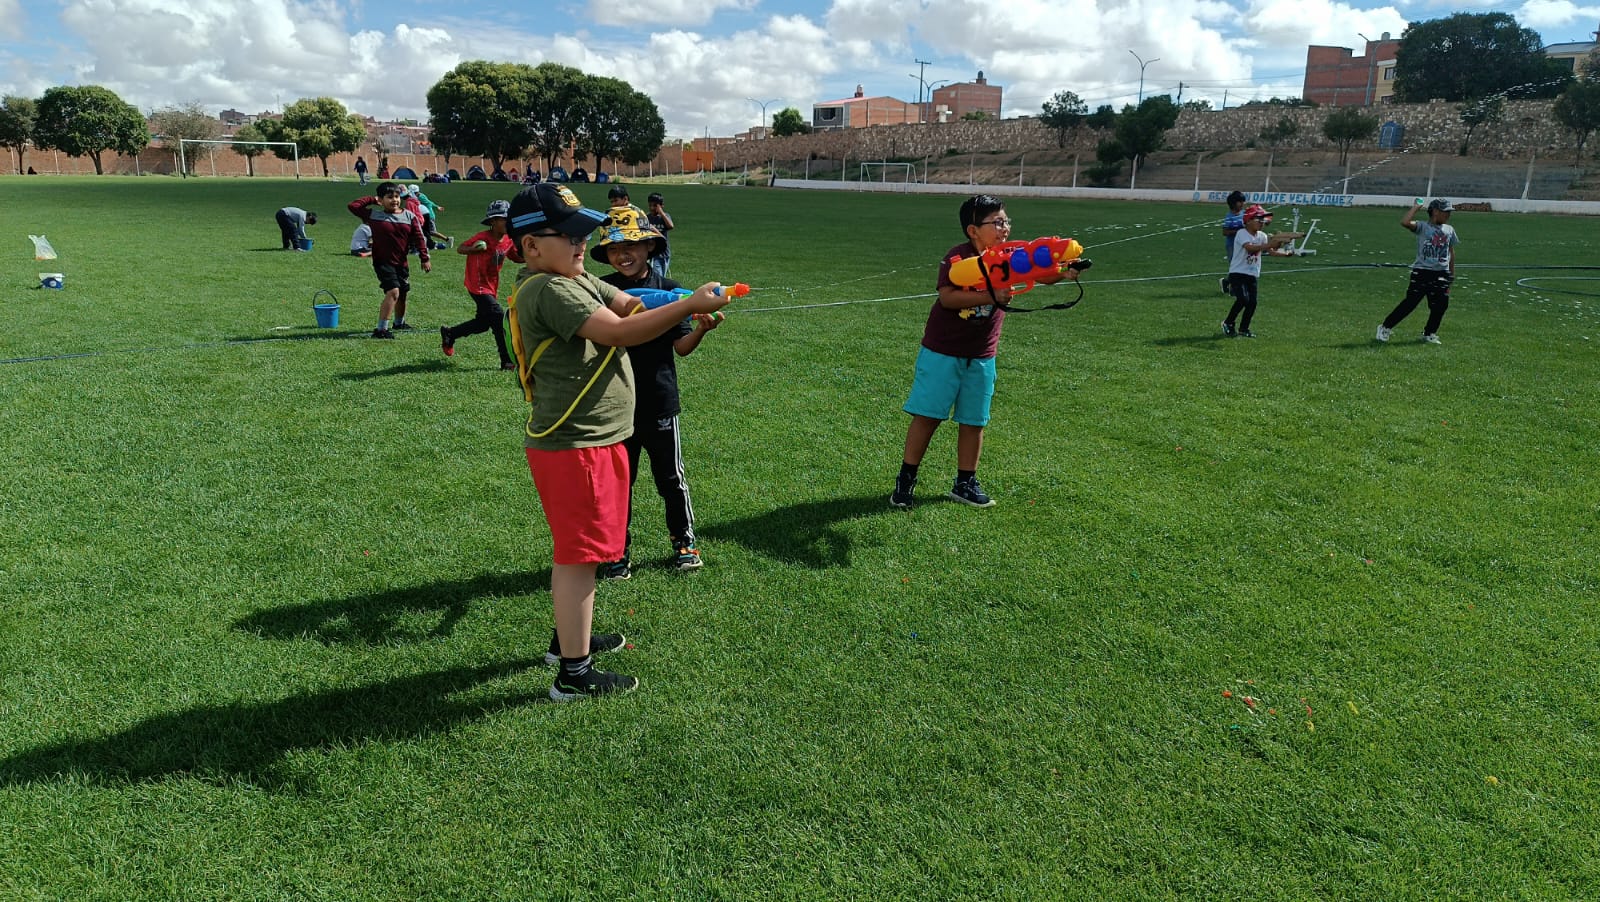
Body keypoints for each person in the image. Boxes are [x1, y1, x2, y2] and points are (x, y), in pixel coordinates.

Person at [504, 183, 730, 701]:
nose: (582, 243)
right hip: (576, 444)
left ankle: (569, 640)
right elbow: (620, 331)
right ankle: (574, 673)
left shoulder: (577, 277)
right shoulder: (550, 289)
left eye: (583, 233)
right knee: (579, 557)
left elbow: (631, 302)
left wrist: (683, 301)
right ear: (532, 246)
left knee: (585, 552)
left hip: (596, 440)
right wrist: (690, 303)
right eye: (568, 235)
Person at [890, 194, 1075, 510]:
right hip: (943, 351)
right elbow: (948, 298)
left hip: (982, 354)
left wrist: (1064, 272)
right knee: (928, 416)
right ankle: (906, 480)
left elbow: (1039, 273)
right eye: (997, 222)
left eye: (1006, 221)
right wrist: (990, 296)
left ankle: (965, 483)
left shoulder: (1011, 254)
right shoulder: (957, 258)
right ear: (973, 230)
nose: (1005, 228)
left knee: (974, 420)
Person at [590, 207, 719, 579]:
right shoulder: (601, 290)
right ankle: (617, 553)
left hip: (659, 401)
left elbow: (681, 348)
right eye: (615, 249)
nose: (623, 254)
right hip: (615, 404)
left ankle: (684, 544)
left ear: (650, 246)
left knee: (671, 479)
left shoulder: (671, 291)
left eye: (632, 245)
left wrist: (701, 329)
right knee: (618, 484)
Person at [441, 199, 518, 370]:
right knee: (499, 317)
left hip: (491, 285)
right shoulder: (482, 238)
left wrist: (535, 257)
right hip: (477, 285)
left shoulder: (508, 239)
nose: (508, 222)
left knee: (483, 324)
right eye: (504, 219)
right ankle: (506, 361)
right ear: (493, 221)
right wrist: (474, 249)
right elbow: (460, 248)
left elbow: (515, 256)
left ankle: (450, 333)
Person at [348, 181, 430, 339]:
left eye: (397, 196)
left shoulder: (409, 217)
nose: (395, 200)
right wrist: (372, 199)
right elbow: (353, 206)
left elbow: (420, 238)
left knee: (403, 292)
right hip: (383, 262)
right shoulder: (374, 216)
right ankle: (381, 329)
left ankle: (399, 323)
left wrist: (424, 258)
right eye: (390, 197)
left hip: (401, 262)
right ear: (381, 200)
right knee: (393, 292)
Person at [1377, 199, 1459, 345]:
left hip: (1442, 273)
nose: (1448, 215)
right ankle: (1385, 327)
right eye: (1445, 212)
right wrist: (1416, 207)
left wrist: (1451, 273)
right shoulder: (1422, 227)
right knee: (1410, 303)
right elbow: (1405, 222)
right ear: (1435, 212)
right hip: (1422, 272)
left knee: (1441, 305)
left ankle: (1429, 333)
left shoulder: (1449, 230)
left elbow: (1451, 252)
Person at [1221, 204, 1288, 338]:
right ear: (1249, 220)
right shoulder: (1242, 233)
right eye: (1259, 220)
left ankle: (1244, 328)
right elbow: (1250, 248)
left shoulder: (1262, 236)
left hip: (1252, 273)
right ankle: (1228, 323)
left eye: (1263, 220)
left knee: (1252, 303)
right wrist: (1269, 244)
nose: (1262, 223)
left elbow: (1271, 251)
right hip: (1238, 273)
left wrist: (1284, 253)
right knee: (1243, 299)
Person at [411, 184, 453, 250]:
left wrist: (436, 206)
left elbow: (429, 202)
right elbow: (430, 201)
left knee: (431, 231)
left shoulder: (420, 197)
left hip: (428, 216)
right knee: (425, 231)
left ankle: (447, 239)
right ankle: (428, 243)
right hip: (425, 215)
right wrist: (437, 206)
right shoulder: (421, 195)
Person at [1220, 190, 1246, 295]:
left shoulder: (1244, 214)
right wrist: (1238, 231)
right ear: (1233, 203)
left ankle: (1227, 282)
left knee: (1242, 266)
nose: (1242, 204)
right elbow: (1225, 232)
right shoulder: (1229, 217)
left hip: (1243, 244)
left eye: (1243, 202)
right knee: (1235, 266)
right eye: (1240, 202)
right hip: (1232, 245)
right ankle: (1234, 289)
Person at [646, 192, 675, 279]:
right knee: (657, 275)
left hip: (664, 252)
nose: (652, 208)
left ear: (661, 206)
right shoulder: (647, 217)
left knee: (661, 276)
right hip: (653, 252)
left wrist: (661, 213)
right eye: (650, 205)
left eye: (655, 206)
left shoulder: (665, 216)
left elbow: (670, 226)